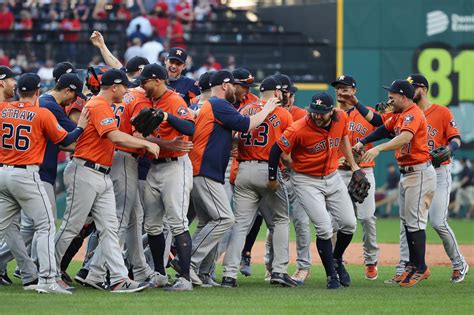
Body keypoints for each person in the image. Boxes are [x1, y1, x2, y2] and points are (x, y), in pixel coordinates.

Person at [54, 69, 159, 293]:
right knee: (71, 226)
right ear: (114, 87)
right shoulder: (98, 104)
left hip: (101, 173)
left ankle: (119, 279)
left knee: (110, 228)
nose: (127, 90)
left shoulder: (104, 105)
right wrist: (146, 144)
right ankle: (47, 272)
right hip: (84, 171)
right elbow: (114, 136)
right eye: (124, 86)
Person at [189, 70, 280, 288]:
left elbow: (229, 133)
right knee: (225, 219)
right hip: (204, 170)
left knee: (207, 222)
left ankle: (203, 273)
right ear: (225, 86)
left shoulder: (215, 106)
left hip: (205, 170)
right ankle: (188, 263)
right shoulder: (218, 103)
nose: (236, 90)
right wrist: (267, 108)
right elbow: (246, 124)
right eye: (233, 85)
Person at [0, 73, 88, 294]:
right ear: (38, 92)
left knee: (7, 227)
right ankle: (48, 279)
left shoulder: (2, 110)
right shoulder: (42, 113)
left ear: (18, 90)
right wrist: (81, 127)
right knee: (46, 225)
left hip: (2, 173)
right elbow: (67, 140)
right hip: (26, 174)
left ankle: (31, 274)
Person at [269, 92, 358, 289]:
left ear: (331, 111)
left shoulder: (341, 117)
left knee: (349, 224)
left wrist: (354, 166)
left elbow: (343, 138)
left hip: (332, 176)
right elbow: (276, 150)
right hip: (306, 180)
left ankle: (336, 259)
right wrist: (273, 177)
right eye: (314, 111)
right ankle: (331, 275)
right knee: (324, 227)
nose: (316, 116)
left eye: (321, 112)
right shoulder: (299, 127)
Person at [354, 79, 437, 287]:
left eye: (392, 95)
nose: (389, 98)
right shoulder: (399, 115)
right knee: (408, 222)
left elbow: (405, 138)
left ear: (403, 96)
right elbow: (383, 129)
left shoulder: (413, 113)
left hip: (418, 173)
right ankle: (411, 265)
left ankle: (420, 268)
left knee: (415, 222)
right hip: (408, 173)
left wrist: (377, 149)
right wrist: (363, 141)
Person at [221, 76, 296, 288]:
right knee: (280, 220)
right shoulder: (282, 113)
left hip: (244, 169)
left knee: (241, 224)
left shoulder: (244, 111)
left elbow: (233, 138)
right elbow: (285, 152)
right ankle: (279, 271)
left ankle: (229, 274)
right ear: (276, 93)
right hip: (268, 170)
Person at [139, 63, 196, 291]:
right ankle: (160, 274)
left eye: (145, 82)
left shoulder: (174, 100)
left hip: (176, 165)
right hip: (155, 166)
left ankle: (185, 278)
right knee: (152, 225)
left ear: (158, 80)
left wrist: (167, 116)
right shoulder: (149, 101)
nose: (142, 86)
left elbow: (190, 128)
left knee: (177, 222)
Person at [331, 75, 380, 280]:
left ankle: (371, 260)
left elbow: (380, 123)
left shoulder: (367, 113)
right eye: (338, 88)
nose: (341, 91)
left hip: (363, 171)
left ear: (354, 91)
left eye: (345, 88)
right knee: (333, 222)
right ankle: (335, 261)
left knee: (367, 217)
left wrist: (356, 104)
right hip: (336, 172)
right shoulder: (329, 114)